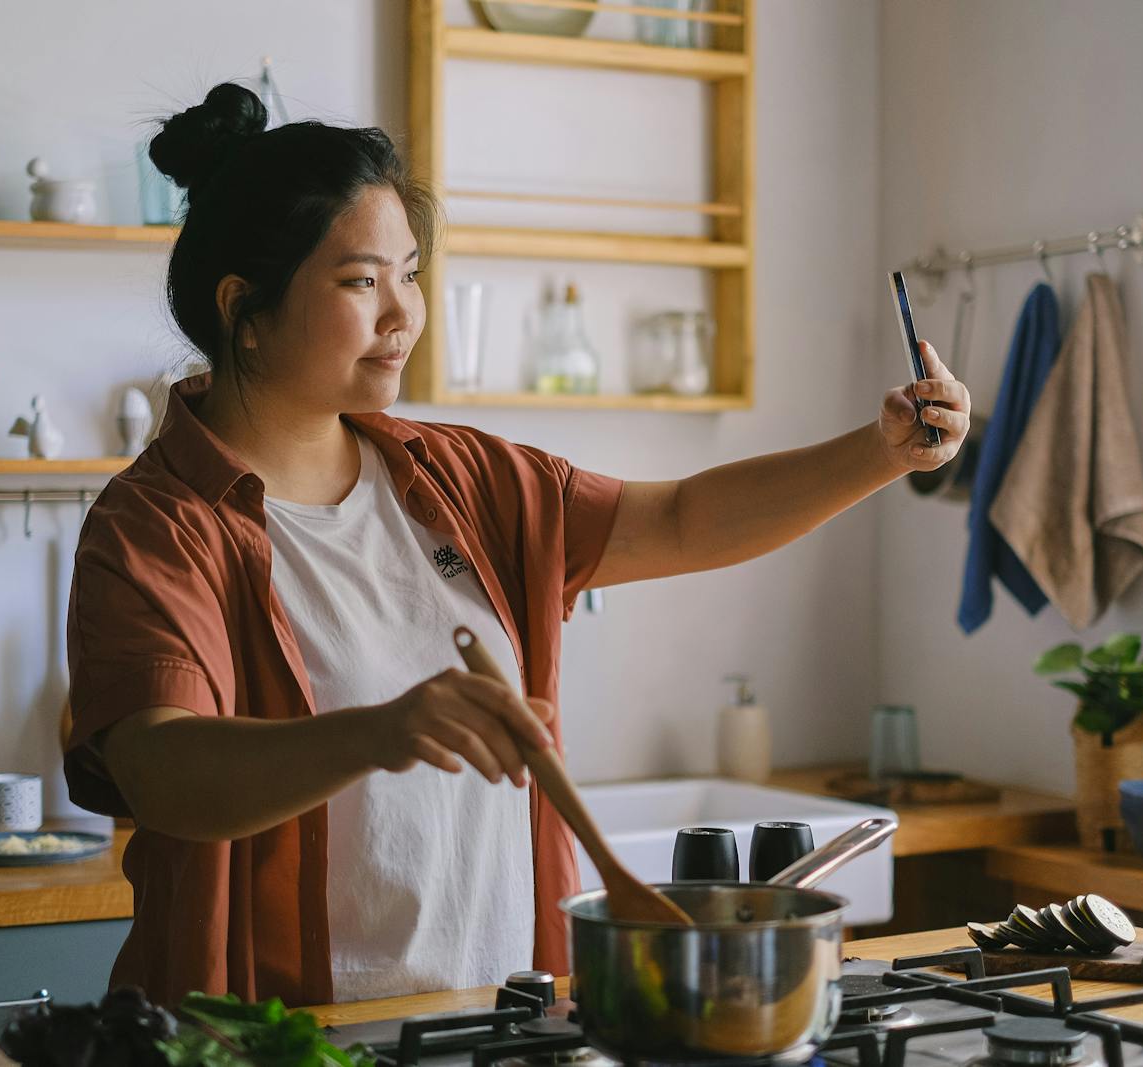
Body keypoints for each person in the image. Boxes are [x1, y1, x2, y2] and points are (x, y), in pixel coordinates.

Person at [65, 82, 971, 1008]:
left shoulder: (461, 480)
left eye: (409, 274)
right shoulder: (156, 527)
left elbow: (683, 519)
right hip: (290, 1036)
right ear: (243, 308)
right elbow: (165, 773)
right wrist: (381, 731)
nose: (402, 314)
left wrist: (881, 452)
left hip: (502, 1024)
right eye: (359, 281)